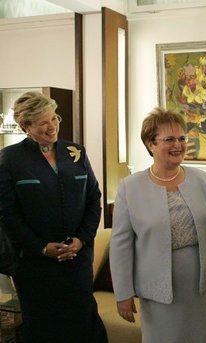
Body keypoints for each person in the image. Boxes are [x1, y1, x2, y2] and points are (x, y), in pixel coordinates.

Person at [109, 107, 206, 343]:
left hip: (201, 287)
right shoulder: (130, 187)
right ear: (151, 144)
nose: (178, 144)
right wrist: (123, 293)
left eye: (182, 138)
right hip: (157, 290)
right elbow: (120, 245)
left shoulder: (203, 179)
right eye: (169, 139)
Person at [0, 91, 107, 342]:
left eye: (54, 118)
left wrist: (82, 239)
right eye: (43, 122)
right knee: (44, 328)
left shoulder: (75, 152)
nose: (53, 126)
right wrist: (41, 247)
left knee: (86, 325)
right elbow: (7, 214)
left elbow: (94, 198)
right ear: (25, 126)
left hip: (77, 258)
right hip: (35, 265)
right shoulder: (10, 159)